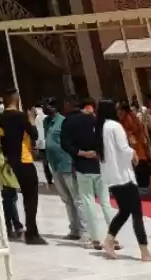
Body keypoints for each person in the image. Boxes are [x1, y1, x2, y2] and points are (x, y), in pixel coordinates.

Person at [97, 98, 151, 261]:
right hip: (123, 176)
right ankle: (144, 251)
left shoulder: (100, 127)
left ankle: (109, 241)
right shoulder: (115, 126)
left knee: (124, 211)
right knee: (136, 212)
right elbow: (124, 149)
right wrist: (134, 154)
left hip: (111, 176)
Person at [61, 96, 114, 248]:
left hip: (82, 166)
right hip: (100, 166)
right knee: (105, 202)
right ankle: (113, 237)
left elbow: (65, 144)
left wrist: (81, 153)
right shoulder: (98, 121)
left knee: (88, 201)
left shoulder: (69, 122)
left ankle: (95, 238)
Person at [0, 92, 44, 244]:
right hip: (24, 158)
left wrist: (8, 158)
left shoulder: (2, 117)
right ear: (16, 100)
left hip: (13, 160)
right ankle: (32, 232)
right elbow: (34, 134)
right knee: (31, 196)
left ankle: (30, 230)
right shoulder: (21, 116)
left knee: (25, 194)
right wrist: (31, 120)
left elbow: (2, 138)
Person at [43, 98, 83, 241]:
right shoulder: (46, 122)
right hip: (54, 165)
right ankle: (74, 229)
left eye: (47, 105)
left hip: (66, 163)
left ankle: (84, 230)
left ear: (54, 107)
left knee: (76, 198)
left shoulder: (63, 121)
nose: (44, 108)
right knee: (66, 199)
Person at [0, 109, 22, 239]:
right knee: (9, 197)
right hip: (1, 164)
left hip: (10, 162)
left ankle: (12, 226)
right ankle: (13, 227)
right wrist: (4, 139)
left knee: (11, 198)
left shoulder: (7, 117)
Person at [120, 100, 151, 192]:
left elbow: (134, 129)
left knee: (140, 162)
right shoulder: (131, 116)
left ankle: (144, 184)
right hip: (138, 143)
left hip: (136, 143)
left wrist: (129, 135)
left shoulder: (128, 117)